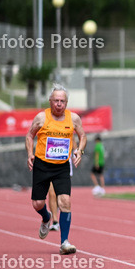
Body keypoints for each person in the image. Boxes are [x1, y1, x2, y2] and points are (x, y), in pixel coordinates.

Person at [25, 85, 86, 255]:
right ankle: (46, 217)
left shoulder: (73, 118)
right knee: (37, 203)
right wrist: (30, 154)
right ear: (50, 101)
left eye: (62, 101)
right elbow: (29, 135)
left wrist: (79, 151)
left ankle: (64, 242)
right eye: (56, 100)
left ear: (66, 103)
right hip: (42, 165)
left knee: (65, 201)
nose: (59, 104)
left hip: (61, 167)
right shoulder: (41, 118)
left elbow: (82, 135)